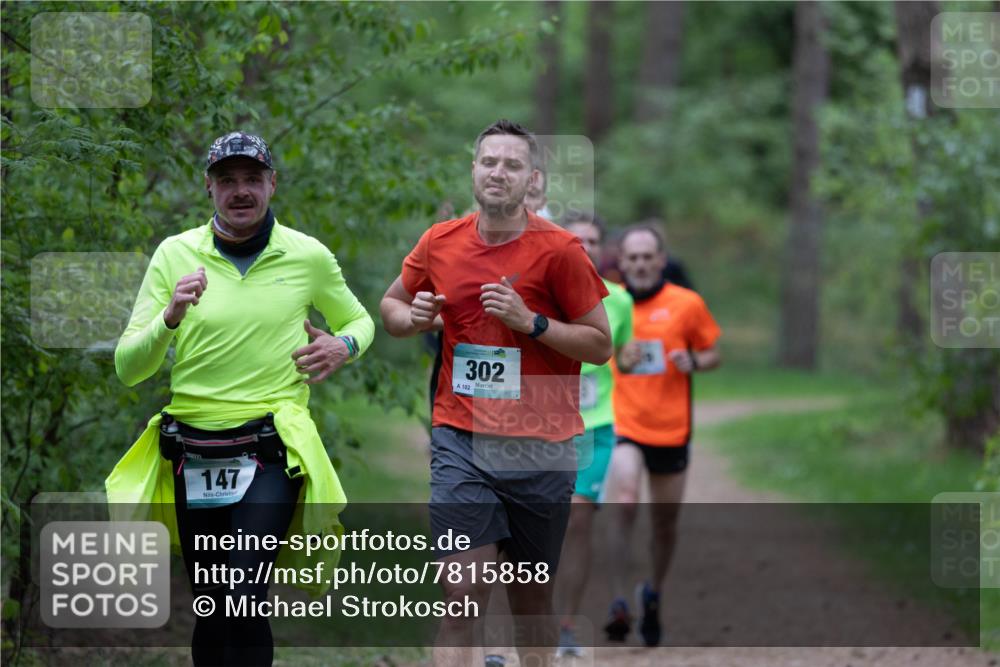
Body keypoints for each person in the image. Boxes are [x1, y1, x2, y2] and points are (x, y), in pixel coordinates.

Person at [106, 131, 374, 666]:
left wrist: (342, 346)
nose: (241, 191)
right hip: (193, 451)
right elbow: (128, 366)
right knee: (213, 606)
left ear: (272, 183)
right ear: (209, 188)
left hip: (270, 447)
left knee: (243, 593)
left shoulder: (307, 256)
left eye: (252, 178)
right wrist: (169, 318)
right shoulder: (175, 254)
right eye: (227, 181)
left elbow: (359, 320)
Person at [380, 119, 612, 667]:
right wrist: (412, 317)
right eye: (489, 162)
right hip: (462, 439)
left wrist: (532, 323)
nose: (498, 173)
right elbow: (391, 308)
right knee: (461, 596)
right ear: (473, 171)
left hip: (542, 447)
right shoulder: (440, 242)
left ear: (532, 180)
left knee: (530, 603)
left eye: (511, 165)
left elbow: (601, 344)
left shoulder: (561, 251)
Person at [603, 224, 721, 647]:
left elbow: (713, 352)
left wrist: (694, 360)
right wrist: (617, 353)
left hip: (672, 427)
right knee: (625, 499)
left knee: (664, 523)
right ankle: (618, 599)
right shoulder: (609, 302)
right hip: (623, 422)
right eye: (630, 258)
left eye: (646, 256)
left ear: (660, 258)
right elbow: (588, 347)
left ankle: (652, 591)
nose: (638, 264)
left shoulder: (687, 304)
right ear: (622, 262)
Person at [553, 213, 635, 658]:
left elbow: (625, 355)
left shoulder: (619, 300)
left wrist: (637, 357)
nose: (584, 247)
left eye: (593, 241)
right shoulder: (539, 290)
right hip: (539, 426)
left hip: (594, 425)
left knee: (579, 522)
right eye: (576, 240)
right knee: (534, 526)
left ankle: (567, 623)